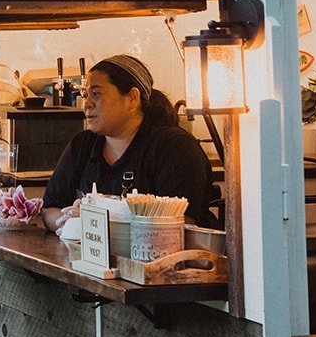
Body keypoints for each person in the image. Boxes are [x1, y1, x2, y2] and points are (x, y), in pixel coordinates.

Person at [42, 54, 219, 233]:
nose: (86, 104)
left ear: (132, 98)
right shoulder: (82, 145)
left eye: (96, 94)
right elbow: (50, 209)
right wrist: (70, 222)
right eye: (85, 94)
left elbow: (181, 223)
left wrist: (97, 223)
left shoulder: (175, 147)